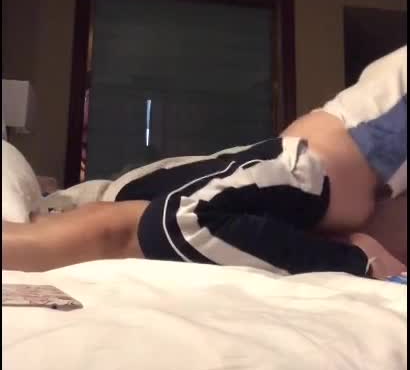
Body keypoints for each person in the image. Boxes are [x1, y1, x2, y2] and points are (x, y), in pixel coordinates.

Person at [3, 46, 407, 279]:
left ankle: (56, 220)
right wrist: (359, 263)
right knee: (165, 221)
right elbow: (181, 220)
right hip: (310, 172)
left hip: (316, 192)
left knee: (139, 210)